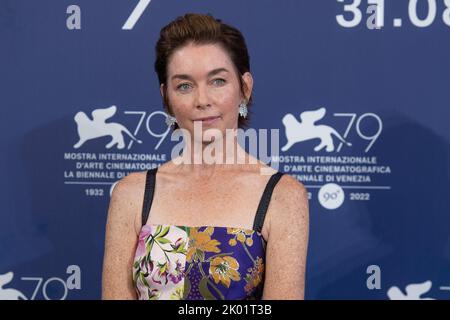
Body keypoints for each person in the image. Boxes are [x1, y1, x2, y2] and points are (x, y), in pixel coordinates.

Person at [102, 13, 309, 300]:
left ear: (244, 88)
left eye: (218, 81)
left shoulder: (282, 195)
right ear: (167, 98)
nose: (202, 100)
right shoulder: (132, 194)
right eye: (184, 85)